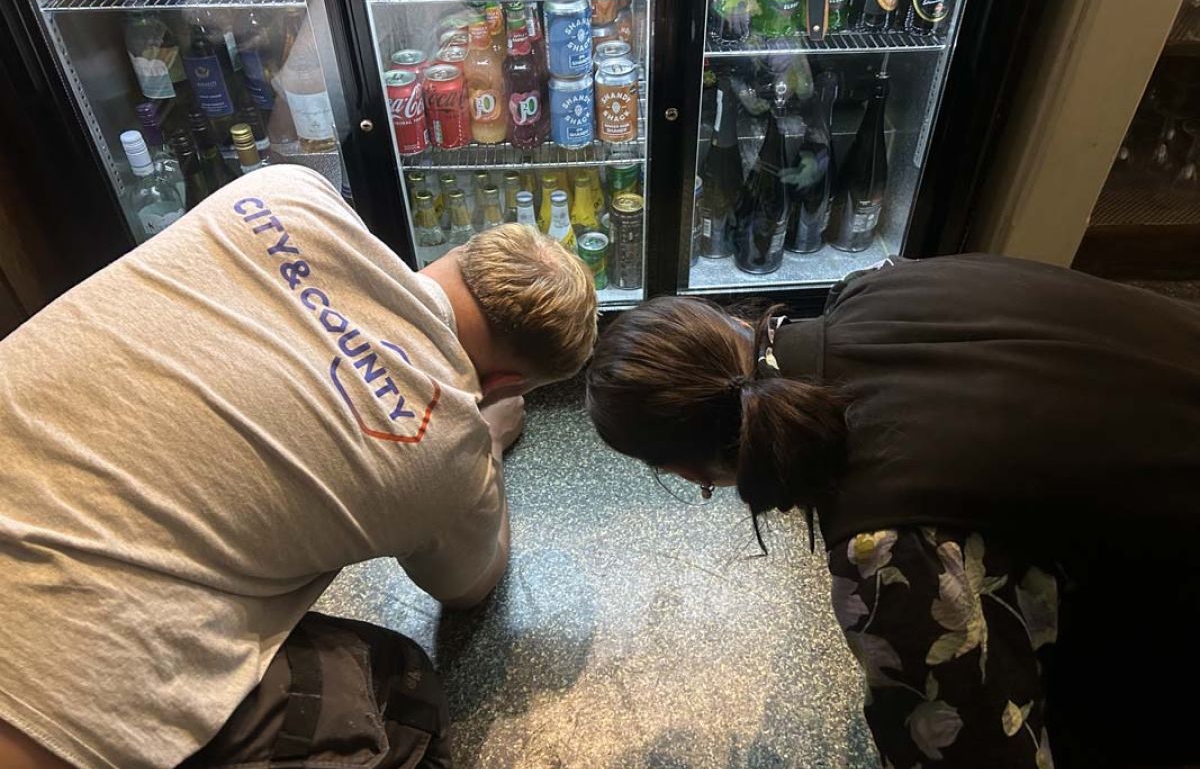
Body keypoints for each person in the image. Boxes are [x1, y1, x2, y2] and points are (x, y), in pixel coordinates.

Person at [0, 164, 597, 769]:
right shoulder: (447, 453)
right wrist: (487, 444)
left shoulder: (284, 191)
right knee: (394, 697)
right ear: (504, 383)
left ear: (454, 256)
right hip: (51, 709)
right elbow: (471, 585)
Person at [585, 255, 1200, 769]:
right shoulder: (877, 282)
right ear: (730, 321)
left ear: (689, 474)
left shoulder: (883, 556)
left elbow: (981, 747)